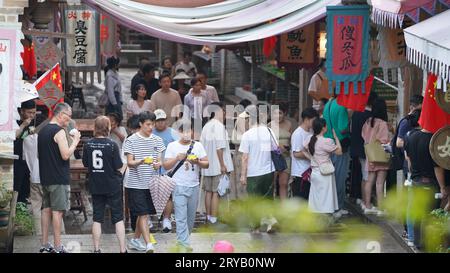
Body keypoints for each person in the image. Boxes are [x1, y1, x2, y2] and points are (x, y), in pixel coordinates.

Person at [38, 103, 81, 253]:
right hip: (58, 178)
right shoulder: (59, 131)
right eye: (67, 117)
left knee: (46, 210)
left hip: (45, 177)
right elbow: (65, 154)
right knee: (58, 212)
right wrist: (76, 140)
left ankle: (44, 244)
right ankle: (57, 246)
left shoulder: (42, 131)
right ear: (60, 114)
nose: (68, 121)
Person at [82, 116, 127, 253]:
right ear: (108, 128)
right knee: (118, 218)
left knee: (97, 218)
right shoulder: (112, 145)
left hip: (96, 185)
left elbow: (85, 164)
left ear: (95, 128)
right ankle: (122, 249)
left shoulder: (87, 144)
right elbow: (118, 165)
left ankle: (96, 249)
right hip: (112, 185)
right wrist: (125, 166)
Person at [163, 120, 209, 252]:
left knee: (190, 218)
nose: (187, 134)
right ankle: (183, 244)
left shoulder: (198, 145)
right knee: (180, 216)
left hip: (193, 186)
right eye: (184, 131)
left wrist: (198, 161)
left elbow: (207, 163)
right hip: (178, 186)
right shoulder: (172, 146)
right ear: (179, 133)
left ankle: (184, 240)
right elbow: (165, 166)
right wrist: (177, 158)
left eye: (189, 131)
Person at [123, 112, 165, 253]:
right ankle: (149, 244)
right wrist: (141, 161)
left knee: (145, 213)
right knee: (143, 214)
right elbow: (129, 163)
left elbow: (159, 160)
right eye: (148, 124)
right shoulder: (131, 140)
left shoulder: (157, 140)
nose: (151, 127)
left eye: (152, 124)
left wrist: (158, 164)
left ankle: (135, 239)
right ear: (140, 124)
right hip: (135, 183)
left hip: (152, 183)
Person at [404, 127, 448, 249]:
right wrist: (443, 187)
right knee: (429, 215)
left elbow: (409, 159)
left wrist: (413, 175)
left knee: (418, 213)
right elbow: (437, 167)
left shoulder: (412, 136)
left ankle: (417, 243)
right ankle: (426, 244)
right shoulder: (434, 140)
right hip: (430, 183)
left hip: (416, 181)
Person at [239, 105, 277, 231]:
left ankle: (255, 226)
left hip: (253, 173)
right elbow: (276, 150)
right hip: (268, 171)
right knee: (267, 198)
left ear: (249, 118)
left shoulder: (247, 135)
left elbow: (245, 157)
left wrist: (243, 175)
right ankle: (270, 221)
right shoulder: (269, 131)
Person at [200, 102, 234, 224]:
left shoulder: (206, 126)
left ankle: (208, 217)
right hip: (218, 166)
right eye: (223, 111)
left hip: (207, 166)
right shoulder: (219, 126)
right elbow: (219, 148)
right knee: (216, 192)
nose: (224, 114)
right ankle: (214, 218)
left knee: (208, 192)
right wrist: (223, 165)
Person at [303, 118, 342, 215]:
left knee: (316, 199)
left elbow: (303, 150)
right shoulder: (327, 141)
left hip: (315, 171)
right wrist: (336, 137)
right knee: (326, 199)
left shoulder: (309, 139)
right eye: (326, 126)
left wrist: (312, 159)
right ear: (323, 128)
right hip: (325, 172)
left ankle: (315, 220)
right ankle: (324, 221)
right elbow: (339, 152)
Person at [323, 92, 351, 217]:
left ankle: (329, 206)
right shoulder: (342, 106)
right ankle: (337, 207)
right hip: (340, 145)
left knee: (330, 177)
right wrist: (350, 117)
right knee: (340, 177)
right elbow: (343, 127)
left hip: (327, 144)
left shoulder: (328, 104)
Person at [152, 109, 179, 232]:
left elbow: (180, 147)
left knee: (167, 195)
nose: (160, 123)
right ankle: (148, 218)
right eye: (158, 121)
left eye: (162, 120)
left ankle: (166, 219)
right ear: (154, 122)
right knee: (151, 194)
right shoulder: (149, 132)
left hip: (168, 169)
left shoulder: (173, 133)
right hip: (152, 168)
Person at [361, 98, 390, 215]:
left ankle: (367, 206)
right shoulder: (382, 123)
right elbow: (384, 140)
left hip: (370, 154)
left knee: (369, 180)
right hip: (380, 155)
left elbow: (363, 135)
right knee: (379, 183)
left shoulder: (368, 121)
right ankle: (381, 208)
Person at [350, 92, 378, 208]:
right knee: (367, 176)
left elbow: (352, 129)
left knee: (363, 175)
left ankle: (363, 199)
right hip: (367, 150)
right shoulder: (370, 117)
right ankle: (367, 203)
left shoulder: (356, 114)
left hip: (357, 148)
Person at [23, 115, 48, 235]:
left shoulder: (27, 139)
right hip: (48, 177)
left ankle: (38, 233)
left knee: (36, 207)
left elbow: (25, 157)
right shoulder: (48, 138)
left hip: (34, 176)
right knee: (52, 207)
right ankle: (59, 233)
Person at [291, 108, 319, 199]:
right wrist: (312, 156)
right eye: (313, 121)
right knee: (300, 201)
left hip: (309, 172)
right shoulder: (298, 133)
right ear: (306, 119)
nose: (315, 123)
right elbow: (296, 154)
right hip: (300, 173)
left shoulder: (311, 131)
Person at [268, 103, 292, 200]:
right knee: (272, 185)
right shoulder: (269, 125)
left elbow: (292, 142)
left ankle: (284, 209)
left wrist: (287, 147)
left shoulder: (289, 124)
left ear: (284, 113)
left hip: (285, 157)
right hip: (273, 158)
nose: (278, 116)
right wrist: (276, 147)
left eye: (280, 113)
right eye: (275, 113)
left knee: (283, 184)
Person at [14, 99, 37, 203]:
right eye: (29, 112)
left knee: (26, 187)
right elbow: (14, 136)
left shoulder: (35, 122)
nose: (32, 115)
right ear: (22, 111)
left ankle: (22, 208)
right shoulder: (15, 122)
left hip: (29, 160)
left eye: (34, 112)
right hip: (17, 159)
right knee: (16, 187)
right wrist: (23, 125)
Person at [105, 56, 123, 121]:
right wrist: (114, 103)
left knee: (118, 117)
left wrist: (120, 99)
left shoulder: (115, 73)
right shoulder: (110, 75)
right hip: (113, 99)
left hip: (117, 97)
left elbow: (119, 88)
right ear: (115, 64)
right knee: (113, 117)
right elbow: (110, 91)